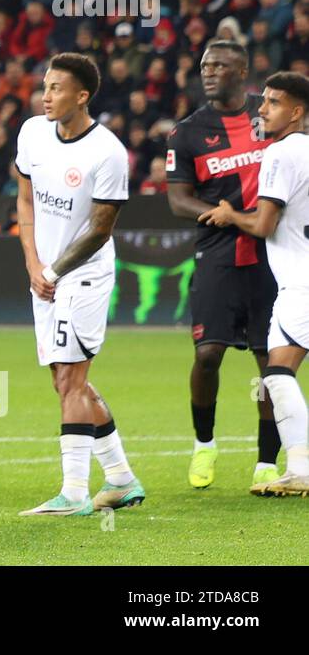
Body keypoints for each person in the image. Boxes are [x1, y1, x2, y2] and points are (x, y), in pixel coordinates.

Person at [14, 53, 145, 516]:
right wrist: (33, 262)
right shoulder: (32, 133)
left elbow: (99, 229)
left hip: (84, 275)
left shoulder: (107, 152)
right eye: (44, 86)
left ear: (82, 96)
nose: (45, 95)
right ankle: (122, 479)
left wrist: (53, 272)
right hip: (44, 277)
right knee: (64, 380)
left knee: (72, 378)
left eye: (56, 88)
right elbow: (26, 200)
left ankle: (73, 494)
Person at [165, 40, 280, 492]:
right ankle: (204, 443)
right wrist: (218, 214)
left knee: (270, 362)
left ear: (243, 70)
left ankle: (267, 462)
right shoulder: (188, 132)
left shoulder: (269, 115)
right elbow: (177, 198)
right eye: (204, 66)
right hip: (216, 252)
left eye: (220, 65)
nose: (209, 72)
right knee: (208, 354)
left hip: (272, 254)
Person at [200, 71, 309, 496]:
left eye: (273, 102)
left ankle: (300, 465)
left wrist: (230, 215)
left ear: (296, 112)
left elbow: (264, 224)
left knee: (278, 374)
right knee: (280, 371)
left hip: (300, 284)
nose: (261, 109)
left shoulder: (279, 155)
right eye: (262, 100)